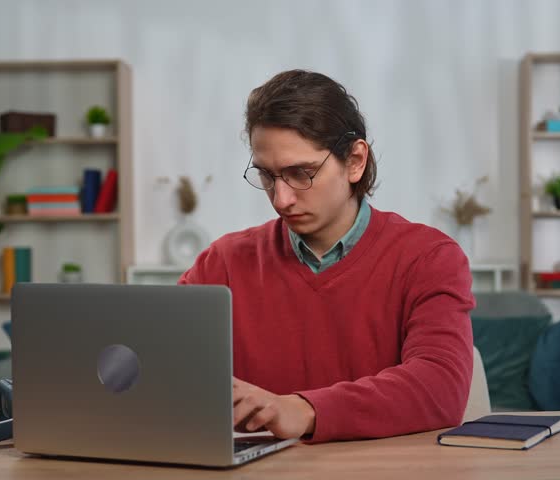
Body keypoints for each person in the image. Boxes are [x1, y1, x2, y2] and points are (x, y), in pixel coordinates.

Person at [179, 70, 475, 443]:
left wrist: (304, 410)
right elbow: (162, 361)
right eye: (268, 176)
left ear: (355, 161)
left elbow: (440, 386)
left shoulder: (429, 259)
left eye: (300, 173)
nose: (281, 199)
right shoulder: (221, 262)